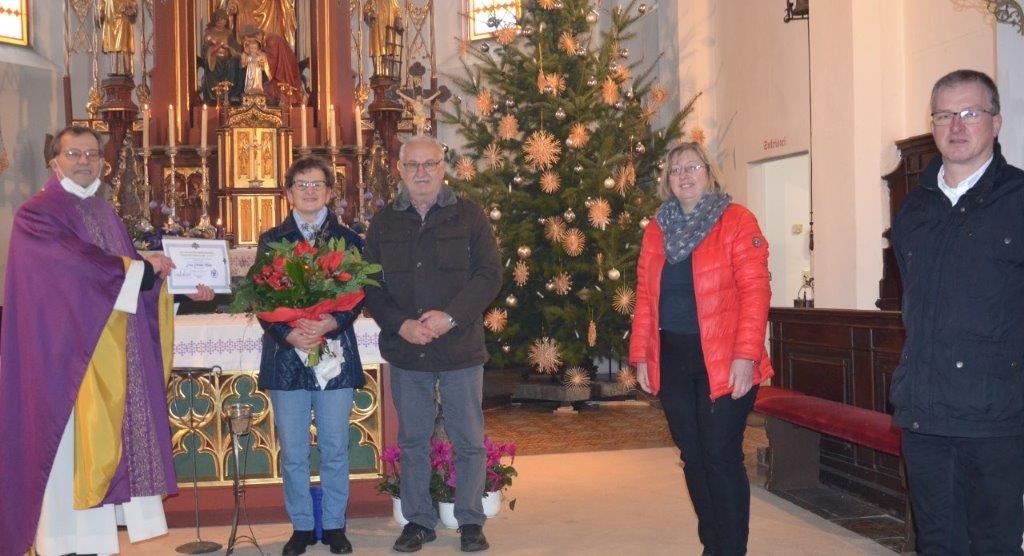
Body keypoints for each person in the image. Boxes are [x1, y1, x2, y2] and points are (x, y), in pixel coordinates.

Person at [0, 126, 211, 555]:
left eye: (92, 154)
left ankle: (93, 547)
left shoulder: (102, 212)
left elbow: (126, 275)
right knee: (68, 459)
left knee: (100, 456)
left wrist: (170, 282)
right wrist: (143, 269)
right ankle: (62, 545)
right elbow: (78, 269)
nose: (84, 161)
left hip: (107, 354)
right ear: (53, 160)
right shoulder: (37, 213)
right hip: (65, 361)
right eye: (73, 153)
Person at [891, 69, 1024, 554]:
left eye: (971, 113)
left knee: (993, 546)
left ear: (997, 122)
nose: (958, 126)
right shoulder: (914, 210)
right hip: (925, 417)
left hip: (998, 418)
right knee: (939, 544)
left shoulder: (1018, 200)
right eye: (945, 115)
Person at [629, 141, 773, 556]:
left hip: (724, 360)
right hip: (673, 358)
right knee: (692, 455)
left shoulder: (736, 221)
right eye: (676, 170)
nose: (685, 176)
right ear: (667, 181)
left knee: (721, 456)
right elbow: (644, 297)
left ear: (709, 173)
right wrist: (641, 355)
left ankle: (731, 549)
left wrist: (746, 357)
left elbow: (755, 292)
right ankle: (713, 545)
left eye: (693, 167)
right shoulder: (657, 228)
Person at [363, 135, 502, 553]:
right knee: (413, 440)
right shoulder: (384, 222)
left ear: (444, 167)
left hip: (460, 347)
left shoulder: (470, 216)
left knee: (468, 438)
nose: (421, 173)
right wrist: (399, 324)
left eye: (429, 164)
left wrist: (450, 316)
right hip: (408, 350)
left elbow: (489, 276)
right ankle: (418, 520)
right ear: (400, 171)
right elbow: (370, 284)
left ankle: (470, 521)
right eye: (412, 166)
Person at [254, 156, 364, 556]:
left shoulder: (349, 239)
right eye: (302, 184)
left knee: (335, 446)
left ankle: (334, 524)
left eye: (318, 184)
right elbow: (261, 298)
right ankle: (301, 525)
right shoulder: (271, 239)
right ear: (288, 193)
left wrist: (330, 323)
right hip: (288, 357)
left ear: (330, 192)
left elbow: (360, 292)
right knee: (295, 450)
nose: (310, 191)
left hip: (334, 353)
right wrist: (290, 333)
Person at [201, 9, 242, 103]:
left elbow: (236, 49)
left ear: (226, 21)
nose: (220, 21)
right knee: (214, 66)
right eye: (218, 19)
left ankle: (229, 94)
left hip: (227, 62)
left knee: (233, 64)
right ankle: (215, 95)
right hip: (214, 62)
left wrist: (229, 48)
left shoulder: (228, 33)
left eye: (223, 19)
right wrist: (217, 46)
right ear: (214, 20)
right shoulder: (209, 33)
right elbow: (206, 51)